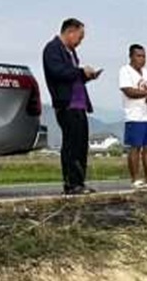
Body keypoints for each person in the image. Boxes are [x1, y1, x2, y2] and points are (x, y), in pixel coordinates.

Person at [42, 18, 102, 195]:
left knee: (81, 144)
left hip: (80, 104)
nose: (80, 41)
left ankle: (79, 182)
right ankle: (71, 183)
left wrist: (86, 76)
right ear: (70, 32)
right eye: (80, 37)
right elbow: (57, 72)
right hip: (66, 104)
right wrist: (80, 71)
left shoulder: (72, 53)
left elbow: (73, 76)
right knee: (71, 144)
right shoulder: (52, 49)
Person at [119, 44, 147, 188]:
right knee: (135, 147)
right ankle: (135, 179)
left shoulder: (146, 73)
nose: (142, 59)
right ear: (131, 56)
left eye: (144, 56)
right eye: (138, 56)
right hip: (135, 116)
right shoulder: (125, 71)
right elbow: (129, 91)